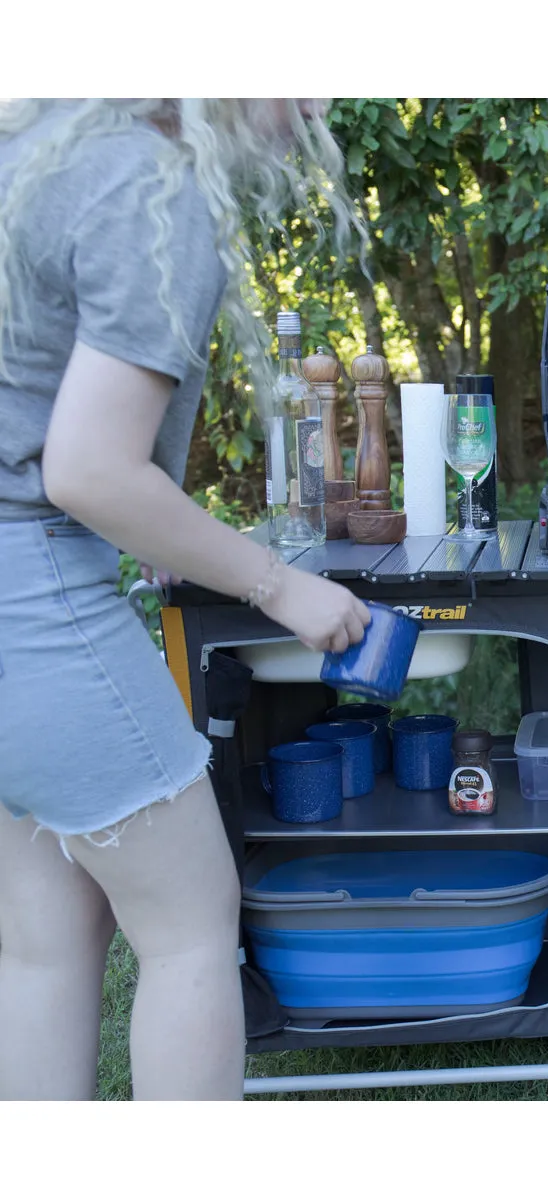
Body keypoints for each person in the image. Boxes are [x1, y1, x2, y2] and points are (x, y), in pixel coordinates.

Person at [0, 99, 372, 1100]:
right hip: (30, 608)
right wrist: (281, 584)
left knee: (43, 941)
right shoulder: (145, 185)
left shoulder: (29, 146)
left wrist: (169, 535)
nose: (321, 103)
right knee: (188, 927)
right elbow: (87, 471)